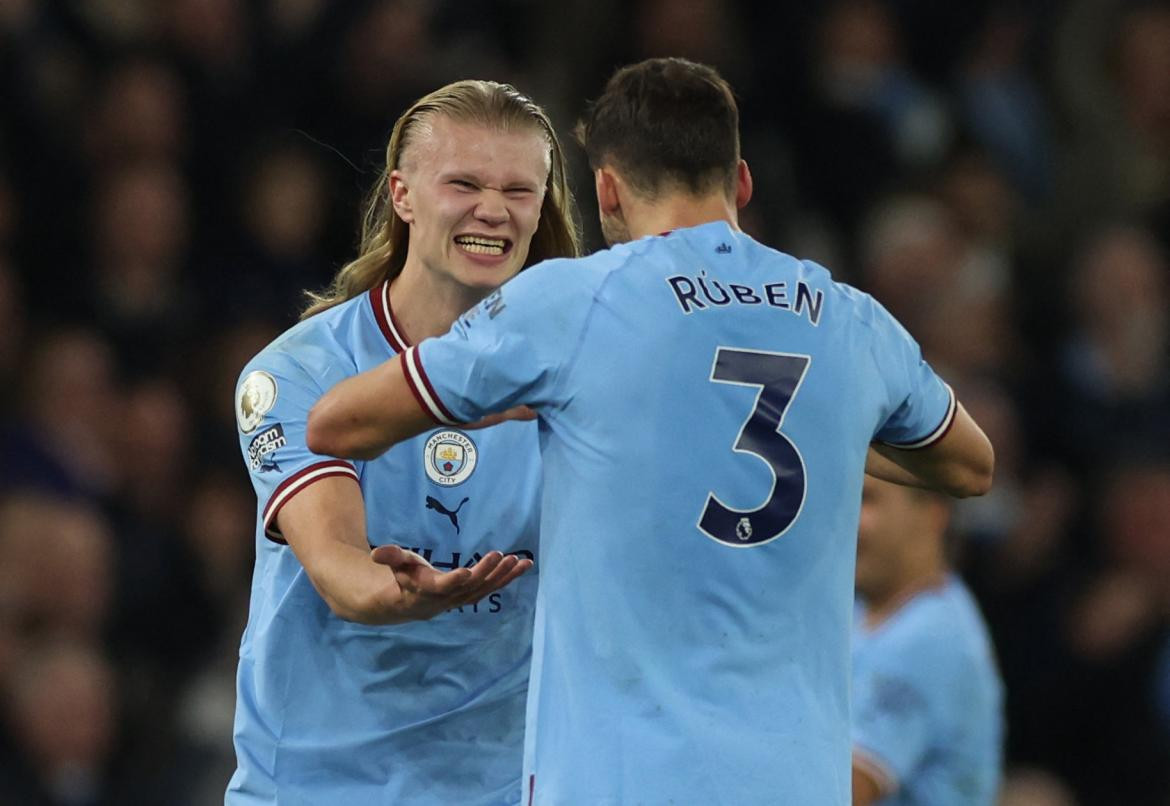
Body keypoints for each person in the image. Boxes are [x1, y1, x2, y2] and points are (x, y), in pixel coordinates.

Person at [307, 58, 994, 804]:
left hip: (622, 781)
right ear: (741, 182)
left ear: (605, 188)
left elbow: (337, 422)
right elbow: (968, 466)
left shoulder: (576, 303)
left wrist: (498, 402)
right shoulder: (847, 317)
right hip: (794, 783)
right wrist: (817, 427)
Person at [227, 80, 580, 806]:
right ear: (403, 195)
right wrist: (399, 596)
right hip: (314, 789)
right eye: (464, 183)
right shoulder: (296, 373)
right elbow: (337, 567)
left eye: (520, 189)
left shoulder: (576, 379)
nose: (493, 209)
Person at [852, 475, 1003, 805]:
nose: (849, 519)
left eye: (867, 499)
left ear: (932, 514)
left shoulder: (933, 638)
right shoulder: (855, 611)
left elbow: (844, 790)